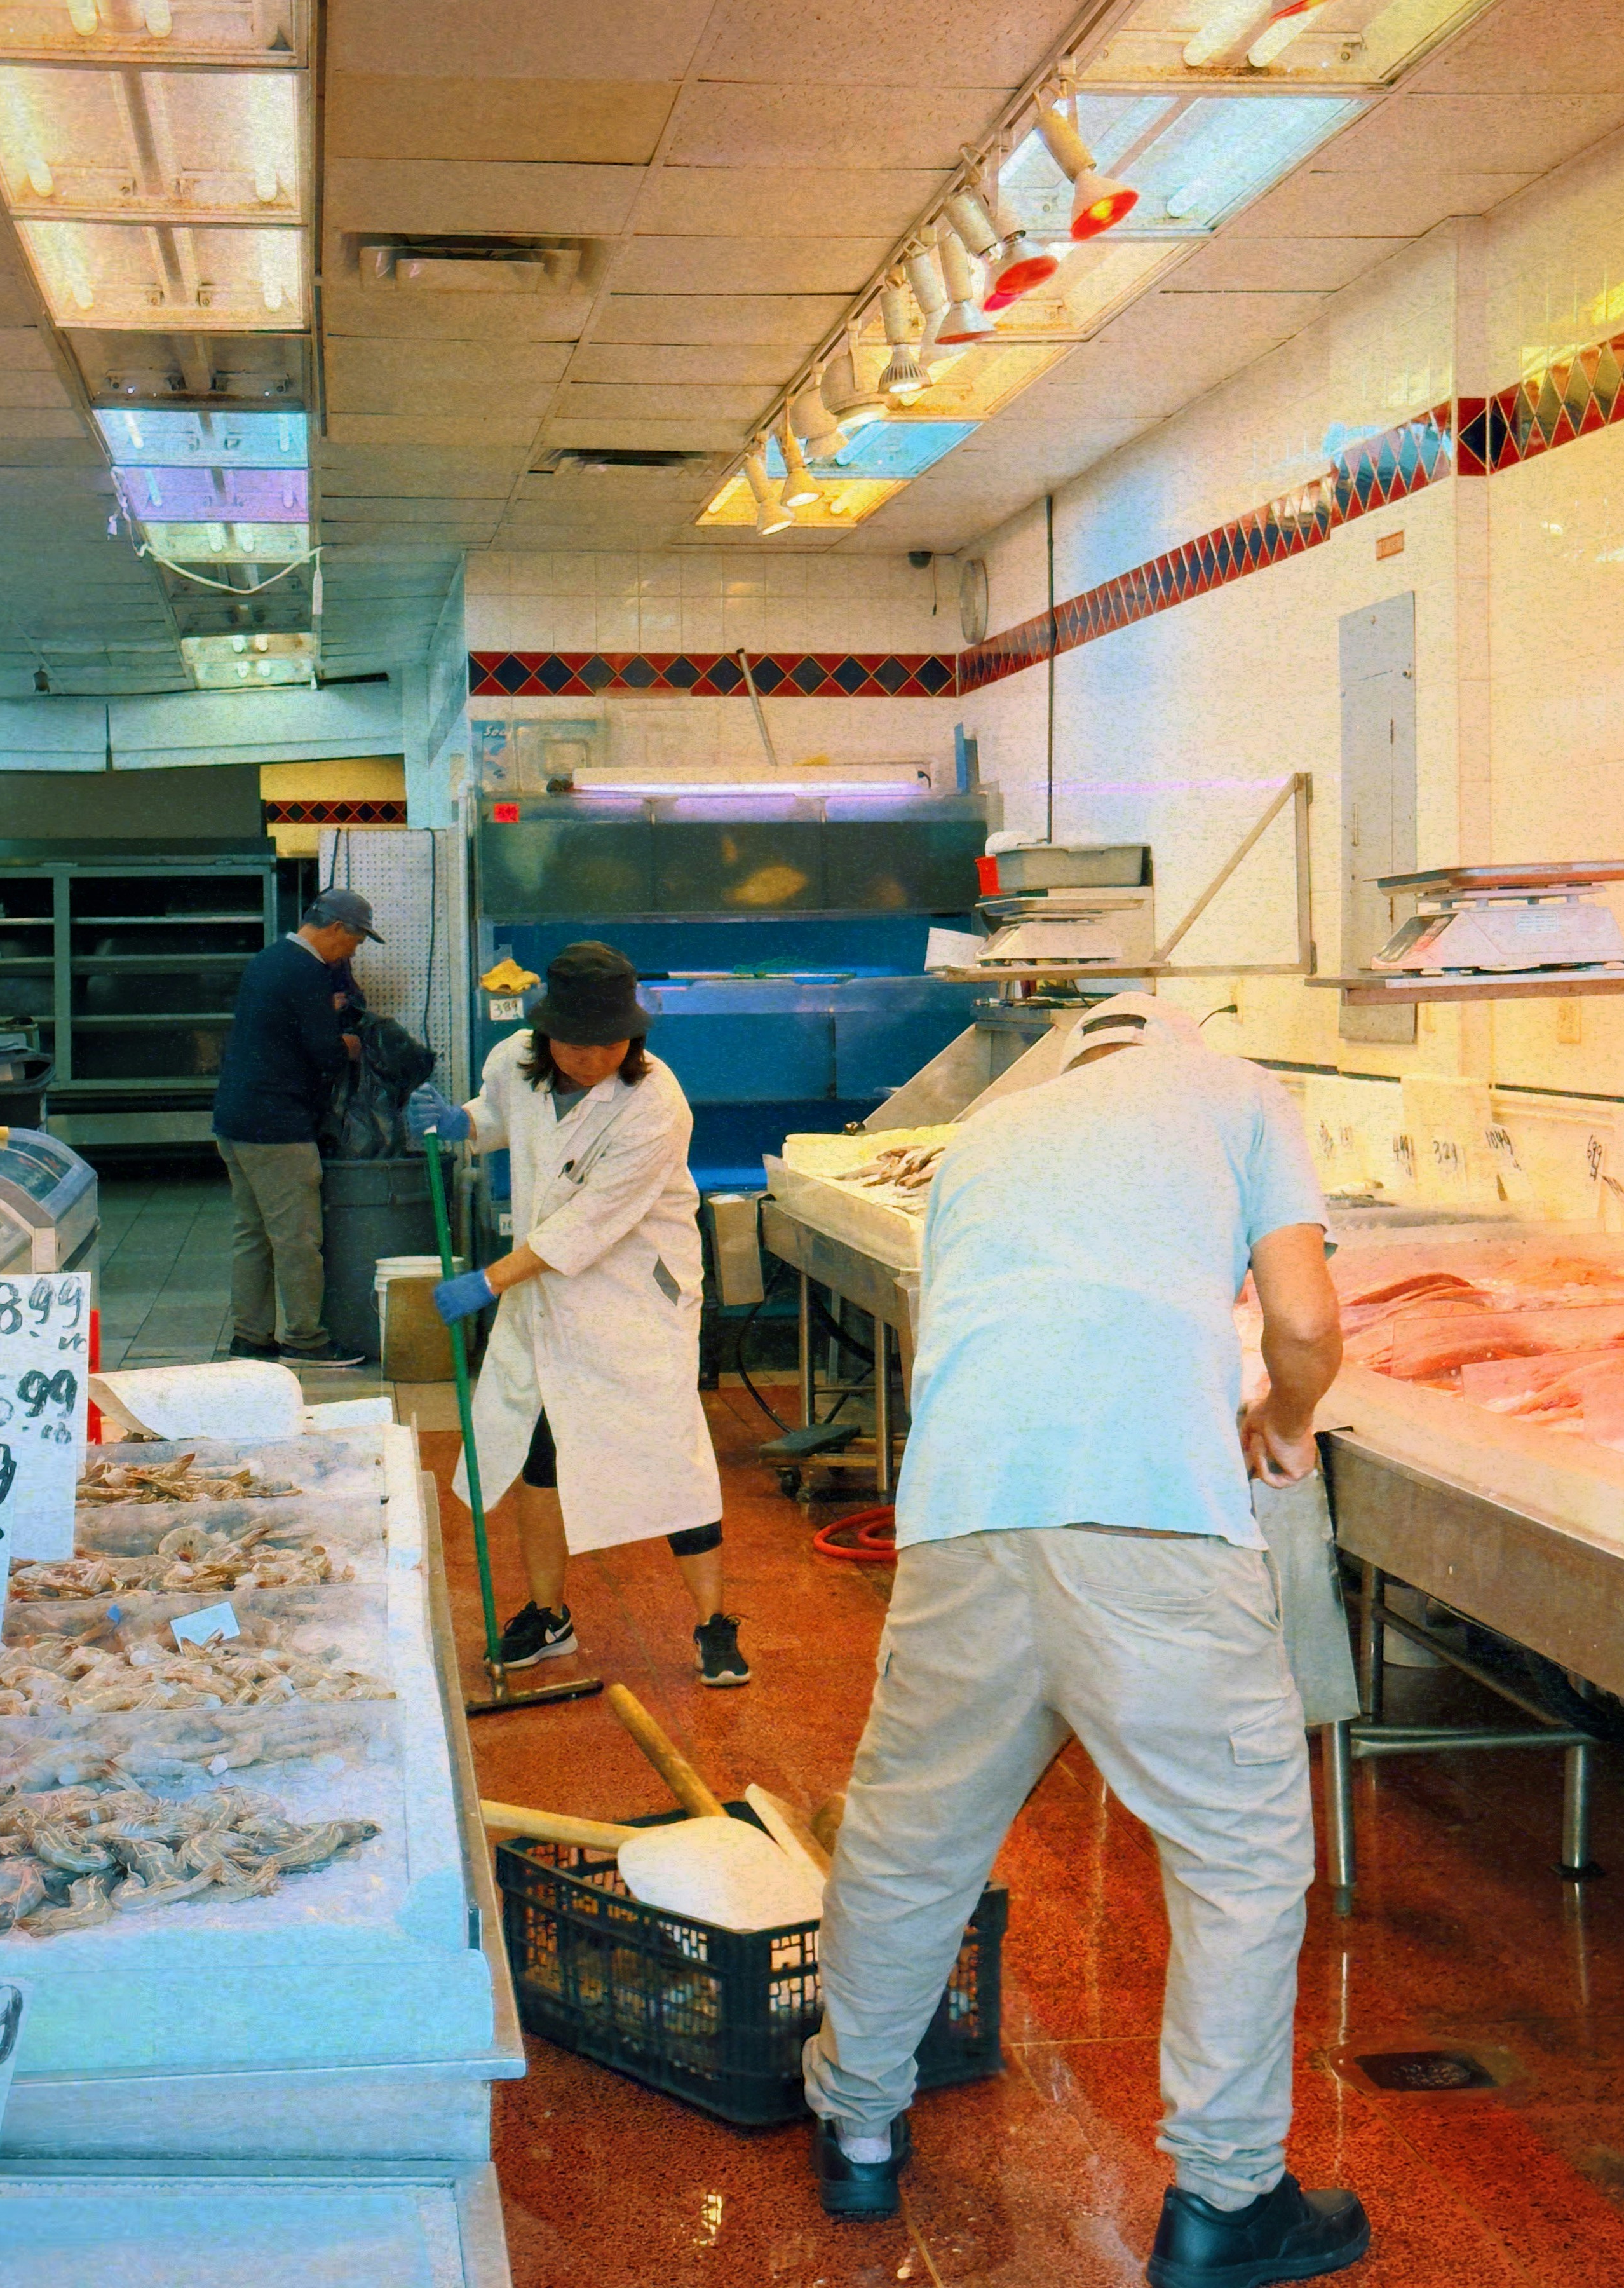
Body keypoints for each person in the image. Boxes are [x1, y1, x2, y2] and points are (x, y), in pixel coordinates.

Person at [799, 993, 1369, 2288]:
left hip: (963, 1518)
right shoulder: (1241, 1092)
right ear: (1190, 1030)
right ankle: (1226, 2203)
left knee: (908, 1839)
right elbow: (1307, 1322)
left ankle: (860, 2126)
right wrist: (1284, 1419)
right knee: (1237, 1853)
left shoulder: (989, 1132)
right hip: (1158, 1518)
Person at [412, 943, 750, 1687]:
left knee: (669, 1454)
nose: (593, 1057)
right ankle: (549, 1614)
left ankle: (712, 1623)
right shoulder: (513, 1060)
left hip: (631, 1302)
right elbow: (502, 1115)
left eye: (610, 1043)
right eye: (576, 1042)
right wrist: (458, 1124)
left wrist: (489, 1282)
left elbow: (593, 1221)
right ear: (543, 1033)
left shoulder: (656, 1103)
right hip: (544, 1302)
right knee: (541, 1451)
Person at [212, 887, 379, 1369]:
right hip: (277, 1128)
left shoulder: (268, 959)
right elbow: (325, 1054)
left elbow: (278, 1029)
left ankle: (251, 1338)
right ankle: (307, 1340)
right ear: (333, 930)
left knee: (253, 1234)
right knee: (296, 1239)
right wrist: (349, 1044)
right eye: (354, 942)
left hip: (235, 1119)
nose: (353, 952)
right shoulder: (308, 971)